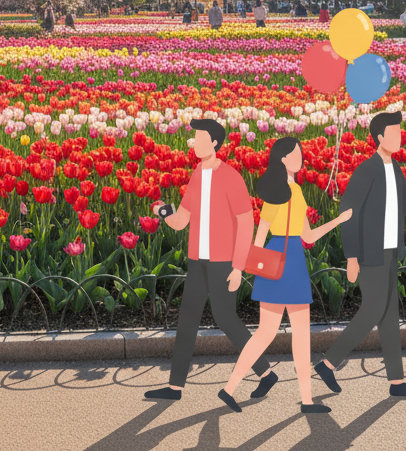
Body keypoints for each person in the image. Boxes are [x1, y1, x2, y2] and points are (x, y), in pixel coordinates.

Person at [144, 118, 279, 403]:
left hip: (223, 263)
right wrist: (163, 211)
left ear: (215, 143)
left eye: (201, 138)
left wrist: (238, 267)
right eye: (195, 138)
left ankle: (266, 373)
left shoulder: (230, 176)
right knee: (187, 320)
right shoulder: (196, 175)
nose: (195, 143)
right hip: (198, 262)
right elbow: (181, 222)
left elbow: (245, 224)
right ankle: (174, 388)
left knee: (226, 319)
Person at [220, 137, 353, 413]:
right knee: (299, 335)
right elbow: (269, 233)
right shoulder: (285, 192)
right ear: (282, 159)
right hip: (289, 262)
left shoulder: (288, 191)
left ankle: (230, 388)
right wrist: (242, 266)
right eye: (295, 153)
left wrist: (338, 221)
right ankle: (305, 401)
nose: (300, 157)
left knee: (266, 334)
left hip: (274, 262)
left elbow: (305, 235)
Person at [314, 111, 406, 399]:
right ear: (380, 137)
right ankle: (328, 363)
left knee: (389, 316)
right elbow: (348, 215)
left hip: (390, 251)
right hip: (370, 253)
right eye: (394, 132)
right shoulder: (366, 170)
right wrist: (352, 257)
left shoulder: (394, 168)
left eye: (400, 132)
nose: (399, 137)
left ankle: (396, 382)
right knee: (373, 309)